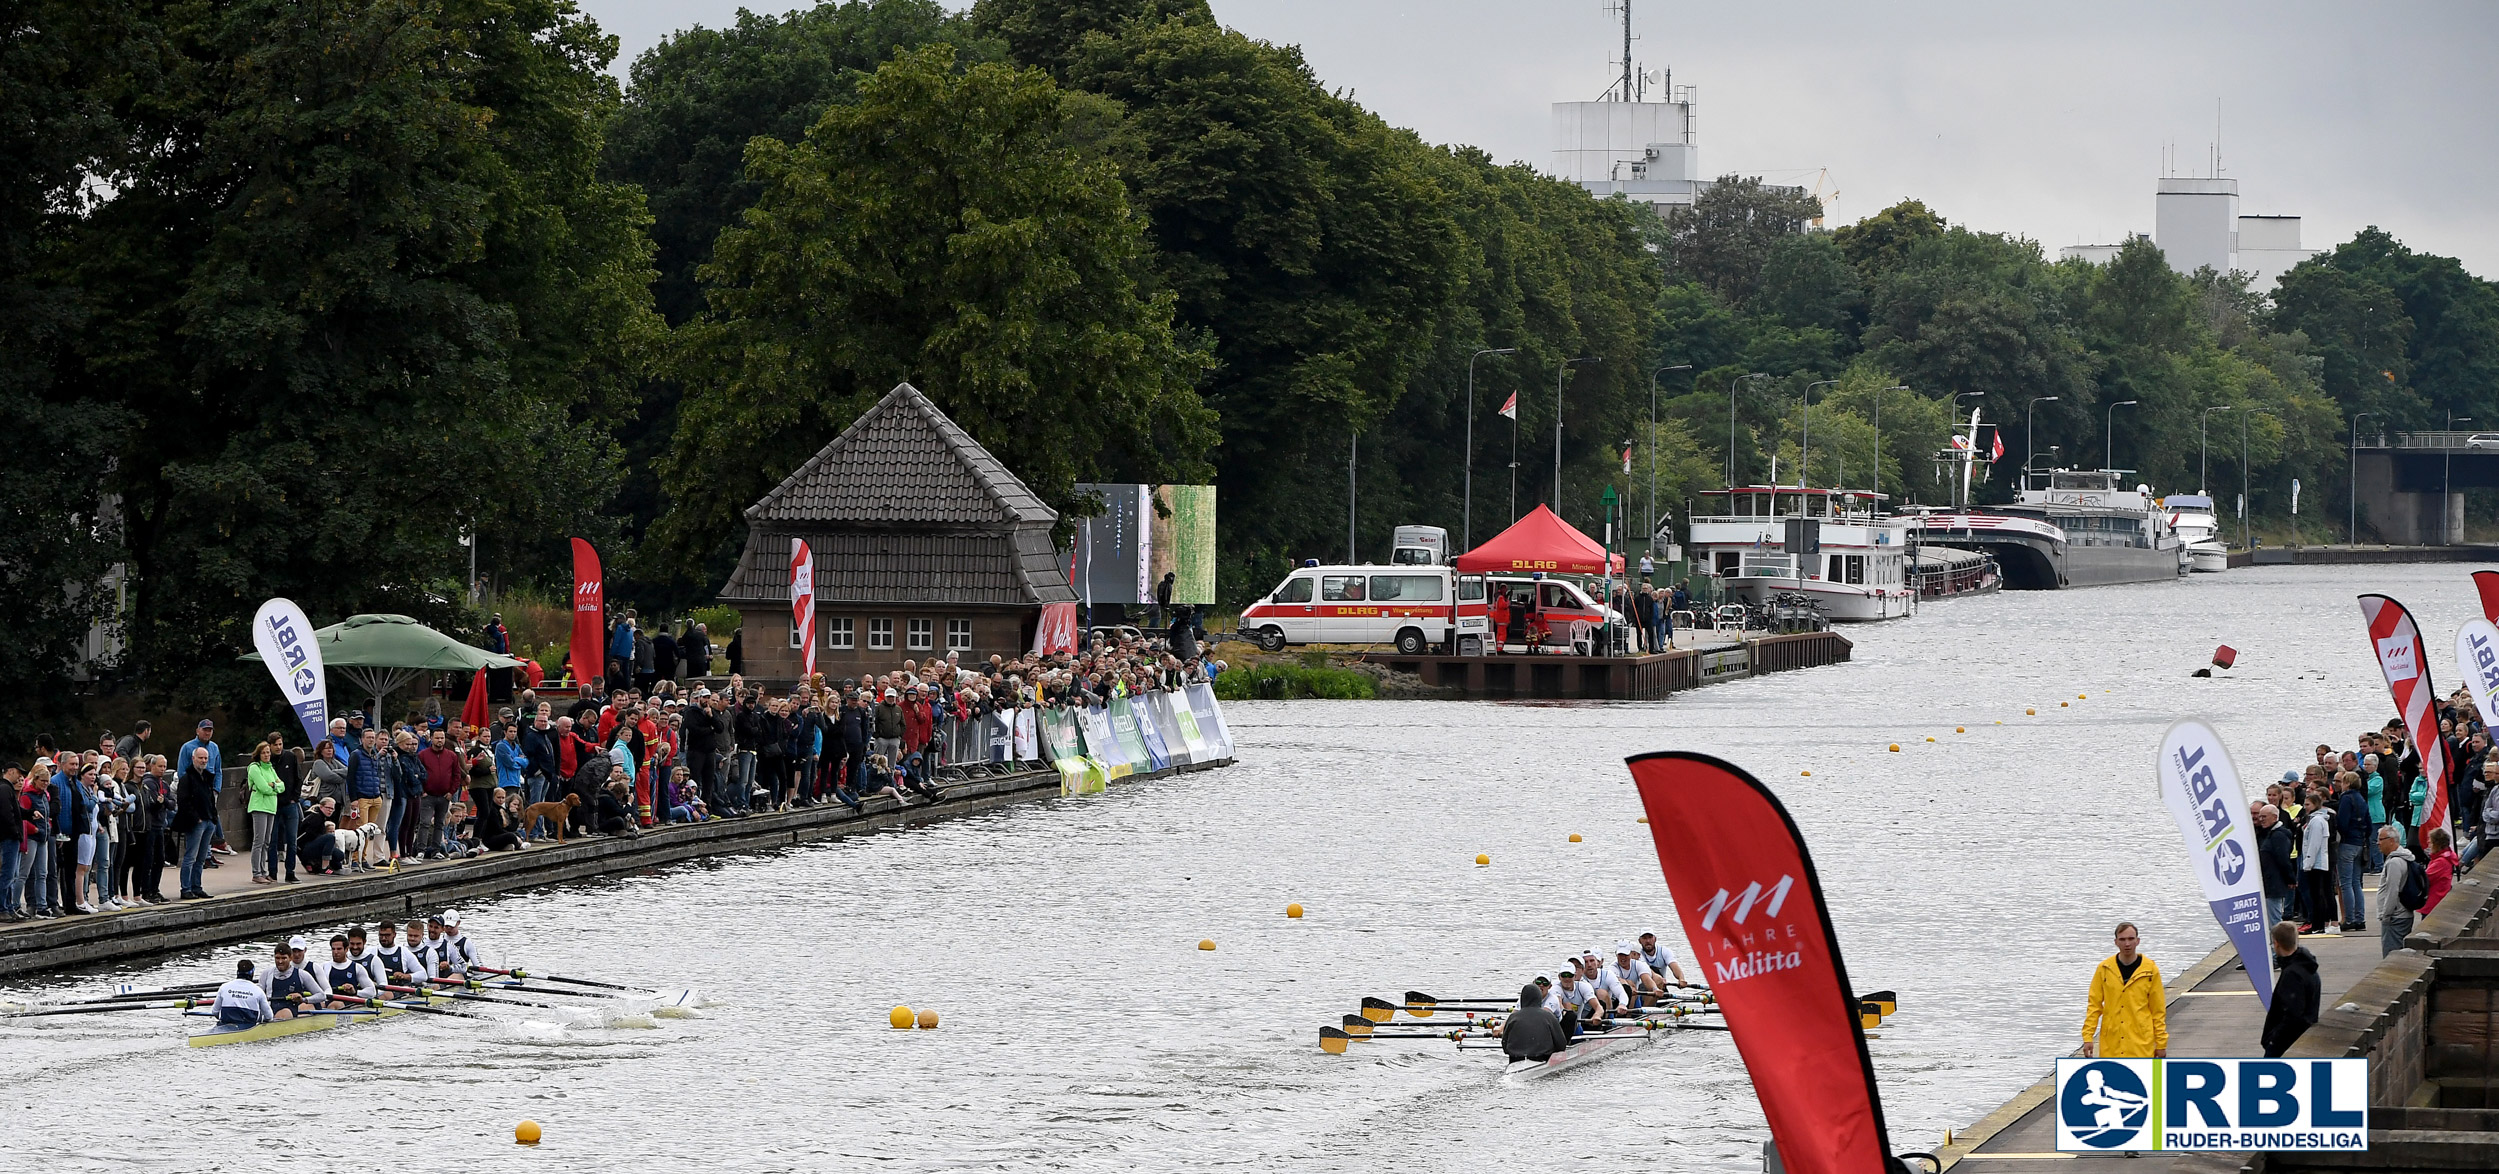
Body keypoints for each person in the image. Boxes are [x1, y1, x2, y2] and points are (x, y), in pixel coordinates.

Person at [2079, 922, 2167, 1058]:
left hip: (2141, 1043)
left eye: (2131, 939)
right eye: (2122, 939)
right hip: (2112, 1043)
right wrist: (2088, 1036)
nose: (2127, 944)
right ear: (2116, 942)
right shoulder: (2104, 969)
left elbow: (2158, 1010)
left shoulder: (2150, 970)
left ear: (2138, 941)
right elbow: (2094, 1006)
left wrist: (2161, 1043)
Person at [2260, 921, 2320, 1058]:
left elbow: (2293, 1014)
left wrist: (2273, 1040)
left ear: (2276, 943)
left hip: (2284, 1044)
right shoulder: (2308, 966)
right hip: (2301, 1036)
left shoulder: (2292, 974)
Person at [173, 746, 220, 900]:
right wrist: (196, 818)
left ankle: (197, 886)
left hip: (208, 821)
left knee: (201, 858)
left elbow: (211, 799)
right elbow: (183, 801)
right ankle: (185, 888)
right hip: (196, 822)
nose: (203, 761)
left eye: (206, 758)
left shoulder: (207, 777)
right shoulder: (187, 778)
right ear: (193, 758)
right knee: (190, 857)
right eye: (200, 758)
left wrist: (213, 818)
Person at [1494, 982, 1572, 1063]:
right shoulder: (1549, 1017)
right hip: (1542, 1060)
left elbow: (1505, 1047)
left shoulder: (1513, 1018)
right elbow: (1561, 1045)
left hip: (1515, 1060)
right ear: (1539, 998)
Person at [2333, 771, 2371, 932]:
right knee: (2356, 882)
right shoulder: (2361, 798)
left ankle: (2348, 919)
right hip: (2359, 842)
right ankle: (2360, 918)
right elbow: (2369, 823)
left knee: (2345, 882)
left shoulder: (2346, 798)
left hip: (2348, 842)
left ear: (2347, 783)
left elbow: (2342, 822)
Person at [2376, 824, 2417, 956]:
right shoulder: (2403, 858)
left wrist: (2386, 915)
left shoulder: (2394, 863)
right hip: (2402, 914)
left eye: (2381, 839)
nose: (2378, 843)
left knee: (2391, 955)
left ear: (2392, 841)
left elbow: (2392, 891)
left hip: (2395, 917)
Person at [2254, 802, 2296, 926]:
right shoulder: (2269, 833)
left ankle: (2278, 944)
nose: (2261, 820)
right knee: (2270, 917)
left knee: (2274, 919)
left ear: (2274, 817)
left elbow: (2283, 859)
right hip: (2269, 882)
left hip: (2274, 883)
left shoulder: (2278, 835)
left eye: (2264, 817)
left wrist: (2291, 879)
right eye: (2260, 816)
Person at [259, 941, 321, 1019]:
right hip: (270, 1012)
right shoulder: (266, 973)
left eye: (284, 958)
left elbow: (321, 995)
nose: (280, 961)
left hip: (290, 1013)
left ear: (291, 958)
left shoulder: (301, 974)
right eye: (277, 958)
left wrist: (303, 999)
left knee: (285, 1012)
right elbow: (257, 996)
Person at [209, 959, 275, 1028]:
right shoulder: (258, 991)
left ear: (237, 972)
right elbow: (269, 1017)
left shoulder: (224, 987)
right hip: (248, 1029)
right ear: (252, 973)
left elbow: (214, 1012)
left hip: (223, 1027)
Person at [2422, 826, 2459, 915]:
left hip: (2434, 902)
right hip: (2438, 900)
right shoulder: (2445, 857)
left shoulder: (2440, 862)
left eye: (2430, 842)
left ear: (2437, 844)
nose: (2428, 843)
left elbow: (2425, 878)